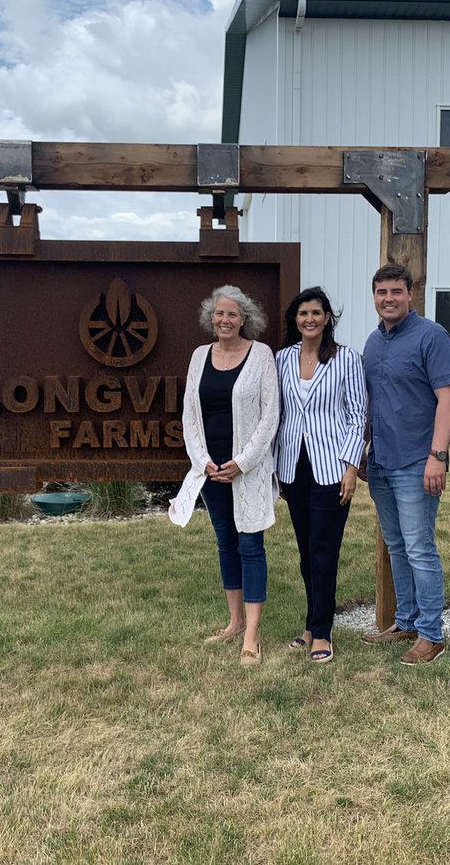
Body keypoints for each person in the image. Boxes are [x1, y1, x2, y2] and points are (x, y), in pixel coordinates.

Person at [169, 285, 280, 665]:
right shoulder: (199, 356)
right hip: (211, 470)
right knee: (226, 542)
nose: (225, 320)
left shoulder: (261, 355)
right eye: (219, 313)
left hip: (246, 469)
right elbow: (189, 414)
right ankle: (234, 623)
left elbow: (270, 416)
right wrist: (202, 461)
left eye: (232, 314)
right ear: (210, 317)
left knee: (251, 546)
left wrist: (242, 462)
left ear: (244, 318)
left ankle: (252, 634)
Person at [361, 265, 450, 666]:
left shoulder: (431, 336)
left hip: (417, 461)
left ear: (410, 294)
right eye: (381, 292)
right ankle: (406, 621)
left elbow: (448, 398)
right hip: (380, 461)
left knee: (420, 548)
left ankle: (432, 635)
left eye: (396, 292)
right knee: (397, 545)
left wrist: (438, 455)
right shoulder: (373, 342)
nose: (389, 299)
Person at [274, 287, 367, 664]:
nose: (309, 319)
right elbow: (279, 413)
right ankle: (311, 625)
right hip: (293, 464)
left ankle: (323, 631)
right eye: (303, 313)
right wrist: (276, 467)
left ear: (328, 317)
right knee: (305, 551)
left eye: (316, 312)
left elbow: (358, 416)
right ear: (295, 320)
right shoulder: (282, 358)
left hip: (332, 467)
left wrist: (351, 467)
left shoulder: (346, 358)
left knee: (323, 550)